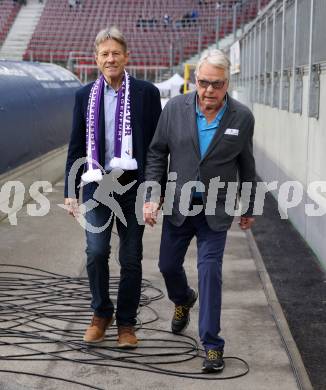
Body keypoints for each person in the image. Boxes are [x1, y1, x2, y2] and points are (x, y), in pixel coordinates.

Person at [143, 49, 256, 373]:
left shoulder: (242, 118)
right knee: (167, 265)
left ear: (227, 84)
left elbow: (246, 164)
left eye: (216, 84)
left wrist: (248, 205)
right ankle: (182, 299)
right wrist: (153, 195)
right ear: (195, 80)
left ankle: (212, 344)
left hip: (215, 212)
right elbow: (156, 155)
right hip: (179, 208)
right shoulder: (175, 110)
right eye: (204, 82)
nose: (209, 90)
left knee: (210, 273)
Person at [64, 27, 162, 348]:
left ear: (126, 56)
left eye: (115, 53)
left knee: (131, 258)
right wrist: (70, 190)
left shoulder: (146, 93)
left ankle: (127, 324)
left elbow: (155, 148)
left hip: (133, 185)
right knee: (95, 252)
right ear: (96, 59)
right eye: (104, 54)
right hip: (97, 183)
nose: (110, 58)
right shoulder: (83, 96)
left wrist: (154, 192)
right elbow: (76, 144)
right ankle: (101, 313)